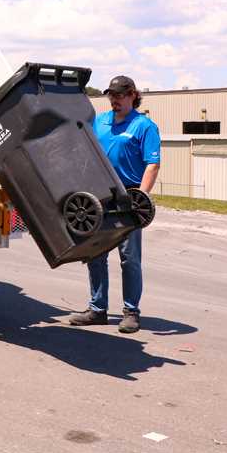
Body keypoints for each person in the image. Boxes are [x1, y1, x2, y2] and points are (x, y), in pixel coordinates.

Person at [68, 75, 160, 334]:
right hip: (99, 196)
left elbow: (152, 165)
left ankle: (131, 312)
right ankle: (97, 309)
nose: (114, 100)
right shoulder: (100, 122)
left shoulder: (144, 126)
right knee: (95, 254)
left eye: (119, 96)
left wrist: (140, 198)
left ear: (132, 95)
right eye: (111, 96)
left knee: (129, 258)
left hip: (128, 198)